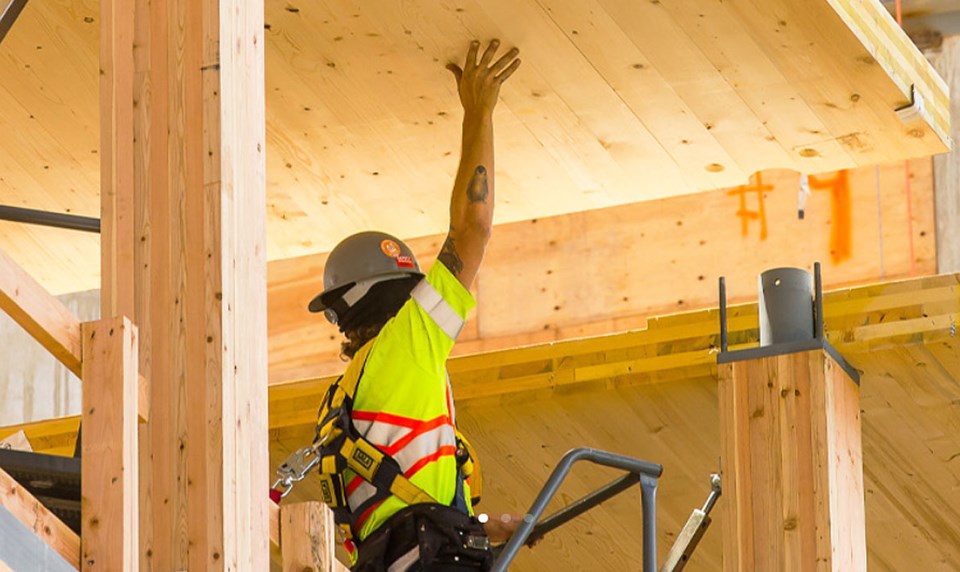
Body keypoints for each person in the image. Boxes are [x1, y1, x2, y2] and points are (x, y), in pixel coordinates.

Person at [308, 40, 522, 571]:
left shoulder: (344, 399)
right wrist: (478, 111)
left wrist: (487, 527)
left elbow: (399, 515)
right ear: (399, 294)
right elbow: (473, 228)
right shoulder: (407, 346)